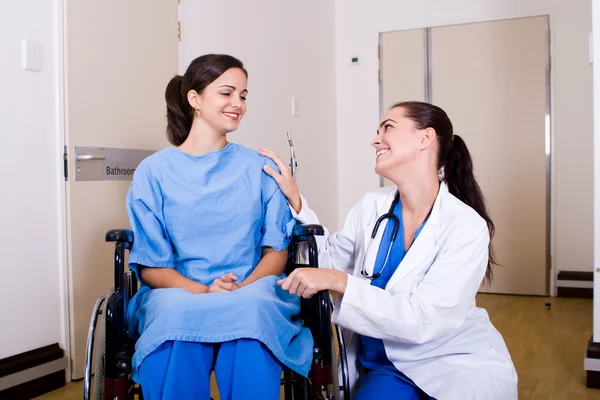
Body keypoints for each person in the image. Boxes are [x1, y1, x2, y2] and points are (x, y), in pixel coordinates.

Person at [260, 101, 518, 400]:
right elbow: (328, 264)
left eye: (388, 128)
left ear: (425, 138)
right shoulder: (373, 205)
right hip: (387, 368)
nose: (375, 139)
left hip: (454, 362)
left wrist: (340, 281)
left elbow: (425, 320)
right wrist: (297, 202)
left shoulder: (466, 226)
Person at [125, 54, 312, 400]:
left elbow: (277, 251)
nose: (237, 104)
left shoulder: (259, 168)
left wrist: (242, 288)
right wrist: (203, 292)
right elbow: (151, 265)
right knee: (175, 317)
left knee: (251, 314)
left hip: (252, 288)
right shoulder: (153, 172)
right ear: (194, 99)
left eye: (243, 95)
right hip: (177, 292)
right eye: (227, 93)